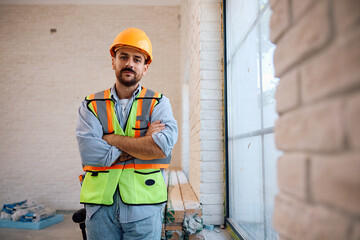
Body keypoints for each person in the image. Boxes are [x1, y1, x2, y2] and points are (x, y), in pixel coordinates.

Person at [75, 28, 178, 240]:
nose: (129, 63)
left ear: (145, 67)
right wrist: (143, 144)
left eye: (137, 59)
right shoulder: (91, 104)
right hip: (100, 208)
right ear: (113, 61)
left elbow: (161, 149)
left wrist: (109, 139)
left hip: (145, 207)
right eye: (123, 57)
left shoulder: (158, 103)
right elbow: (91, 154)